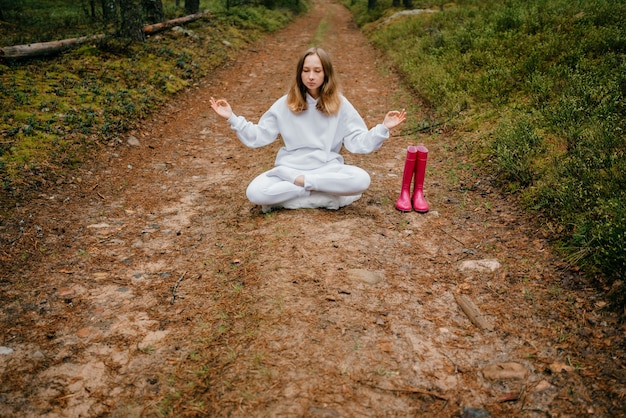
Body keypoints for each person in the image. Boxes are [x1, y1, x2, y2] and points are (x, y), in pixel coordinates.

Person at [210, 47, 406, 212]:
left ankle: (301, 186)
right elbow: (259, 135)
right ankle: (321, 192)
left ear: (326, 73)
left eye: (317, 71)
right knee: (254, 192)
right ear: (299, 73)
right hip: (290, 168)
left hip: (327, 168)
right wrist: (232, 118)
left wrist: (382, 128)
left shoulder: (340, 104)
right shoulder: (285, 103)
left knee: (362, 180)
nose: (311, 76)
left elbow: (357, 141)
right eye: (306, 70)